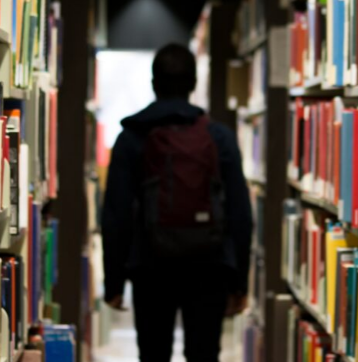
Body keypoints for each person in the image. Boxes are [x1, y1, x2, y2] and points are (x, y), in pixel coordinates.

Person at [102, 43, 254, 362]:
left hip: (150, 266)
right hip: (209, 266)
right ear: (193, 84)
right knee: (203, 353)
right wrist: (238, 282)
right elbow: (240, 213)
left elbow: (116, 215)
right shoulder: (219, 137)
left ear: (154, 83)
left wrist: (114, 281)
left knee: (154, 353)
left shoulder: (131, 137)